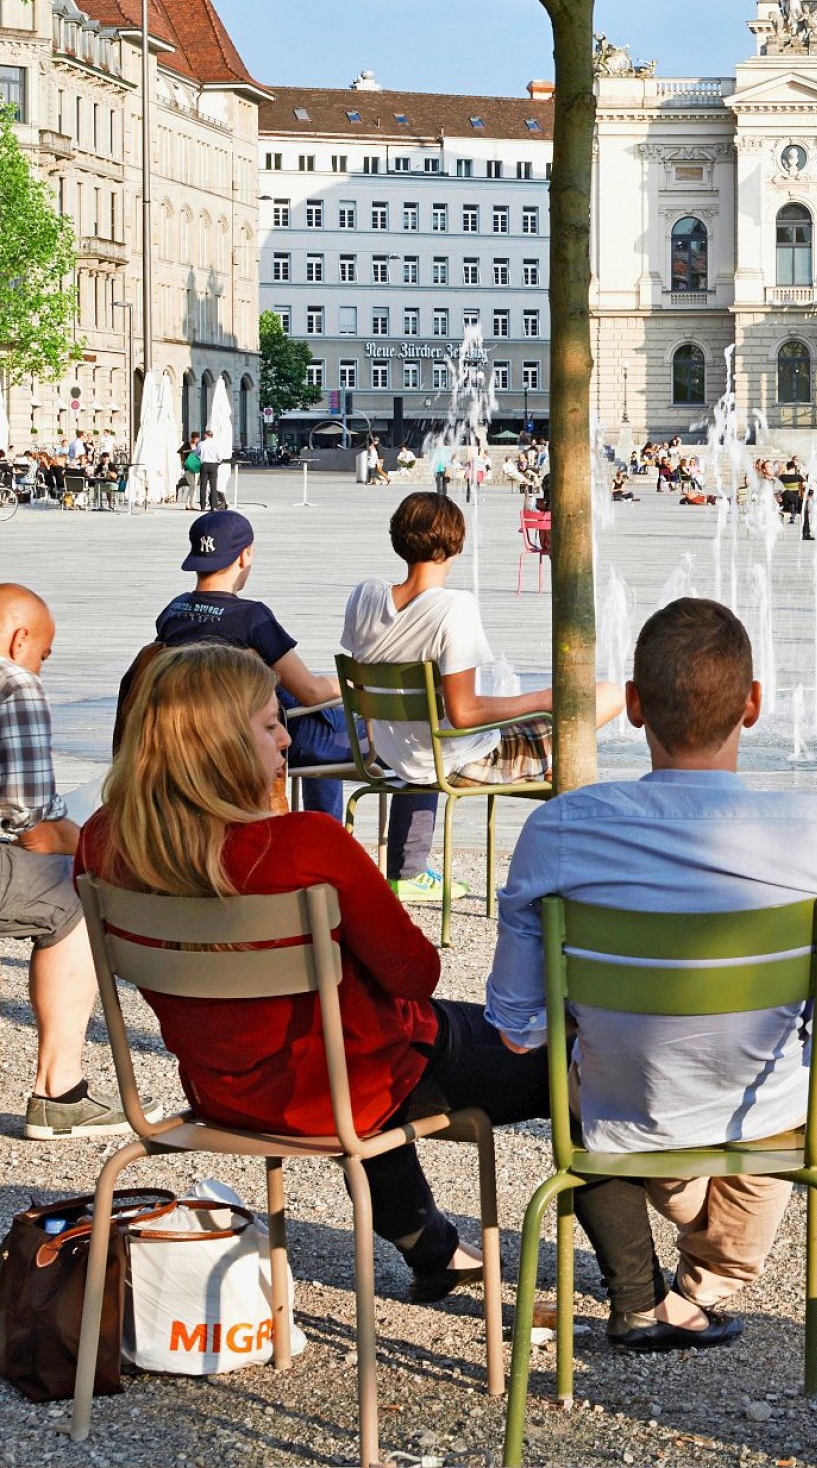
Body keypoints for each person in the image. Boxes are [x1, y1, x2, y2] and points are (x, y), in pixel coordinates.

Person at [487, 599, 817, 1350]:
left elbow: (519, 1027)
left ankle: (685, 1276)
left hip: (621, 1105)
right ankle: (701, 1286)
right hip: (765, 1113)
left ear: (634, 708)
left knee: (588, 1071)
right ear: (754, 704)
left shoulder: (560, 830)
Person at [79, 644, 547, 1300]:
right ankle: (644, 1284)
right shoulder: (305, 845)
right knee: (566, 1057)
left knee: (361, 1036)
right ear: (218, 745)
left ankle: (433, 1248)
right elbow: (417, 975)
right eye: (270, 723)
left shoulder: (104, 840)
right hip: (347, 1088)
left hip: (227, 1093)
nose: (286, 735)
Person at [342, 492, 627, 900]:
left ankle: (406, 872)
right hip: (453, 760)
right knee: (609, 695)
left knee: (441, 728)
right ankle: (576, 867)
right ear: (456, 543)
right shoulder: (453, 608)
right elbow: (464, 712)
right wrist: (543, 699)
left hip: (389, 750)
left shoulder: (365, 594)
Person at [0, 585, 133, 1140]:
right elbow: (29, 821)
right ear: (19, 637)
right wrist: (91, 842)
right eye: (43, 656)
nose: (41, 670)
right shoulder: (15, 685)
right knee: (79, 896)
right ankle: (60, 1092)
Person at [150, 511, 350, 817]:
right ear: (245, 555)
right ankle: (327, 835)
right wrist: (355, 683)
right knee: (348, 724)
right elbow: (310, 691)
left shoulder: (172, 613)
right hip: (260, 734)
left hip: (198, 733)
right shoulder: (251, 618)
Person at [196, 426, 226, 510]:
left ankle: (202, 506)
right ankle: (213, 506)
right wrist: (218, 462)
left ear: (206, 435)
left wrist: (201, 457)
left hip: (204, 465)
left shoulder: (201, 444)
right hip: (213, 465)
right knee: (213, 486)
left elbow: (196, 454)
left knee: (203, 486)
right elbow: (220, 456)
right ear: (212, 436)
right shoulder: (216, 444)